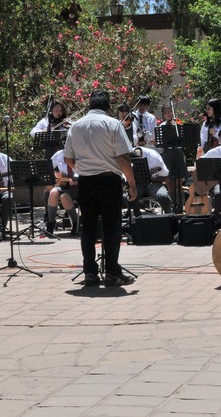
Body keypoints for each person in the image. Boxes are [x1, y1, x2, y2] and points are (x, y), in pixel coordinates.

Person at [63, 89, 138, 288]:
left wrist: (83, 169)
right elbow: (123, 158)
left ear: (90, 104)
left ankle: (90, 272)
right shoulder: (113, 124)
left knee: (88, 228)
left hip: (86, 182)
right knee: (112, 228)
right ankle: (112, 273)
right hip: (108, 181)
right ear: (108, 106)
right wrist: (132, 184)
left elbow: (68, 158)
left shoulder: (76, 126)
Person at [47, 147, 80, 235]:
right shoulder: (59, 154)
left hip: (78, 186)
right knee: (53, 192)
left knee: (64, 197)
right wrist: (55, 175)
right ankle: (51, 223)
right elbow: (48, 167)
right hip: (63, 184)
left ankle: (75, 223)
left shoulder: (81, 153)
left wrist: (77, 178)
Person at [131, 145, 172, 213]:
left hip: (153, 183)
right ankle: (136, 216)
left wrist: (148, 178)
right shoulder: (128, 153)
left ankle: (168, 215)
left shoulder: (154, 156)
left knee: (164, 197)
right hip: (136, 184)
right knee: (131, 196)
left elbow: (165, 176)